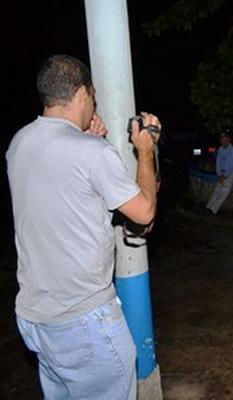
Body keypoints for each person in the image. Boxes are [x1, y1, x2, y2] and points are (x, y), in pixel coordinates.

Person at [6, 54, 160, 399]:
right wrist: (145, 149)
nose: (94, 102)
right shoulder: (91, 153)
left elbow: (68, 191)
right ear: (81, 93)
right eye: (93, 95)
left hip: (36, 319)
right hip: (84, 321)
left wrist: (91, 141)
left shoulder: (19, 144)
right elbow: (144, 212)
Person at [205, 131, 233, 215]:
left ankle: (213, 210)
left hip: (230, 173)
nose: (223, 141)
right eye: (222, 139)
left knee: (223, 192)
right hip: (221, 173)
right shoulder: (220, 149)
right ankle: (208, 207)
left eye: (225, 139)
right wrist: (219, 174)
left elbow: (231, 165)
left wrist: (224, 175)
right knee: (216, 191)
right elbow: (218, 162)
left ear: (229, 139)